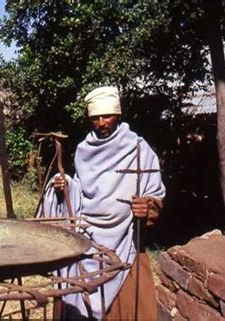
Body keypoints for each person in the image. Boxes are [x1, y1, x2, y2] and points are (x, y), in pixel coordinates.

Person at [39, 86, 165, 320]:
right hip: (89, 237)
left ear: (118, 114)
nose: (101, 122)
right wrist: (65, 186)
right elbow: (80, 189)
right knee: (77, 294)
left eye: (106, 116)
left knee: (129, 306)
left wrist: (147, 207)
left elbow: (154, 191)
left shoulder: (137, 148)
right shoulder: (83, 151)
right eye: (95, 117)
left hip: (126, 240)